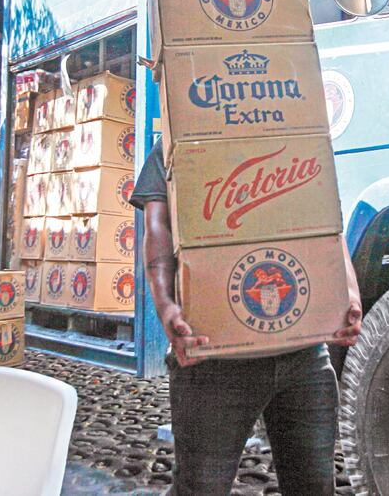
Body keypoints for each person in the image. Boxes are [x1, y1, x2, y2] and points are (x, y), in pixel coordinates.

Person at [129, 137, 362, 496]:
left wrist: (347, 294)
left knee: (315, 486)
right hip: (213, 359)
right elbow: (156, 227)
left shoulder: (294, 126)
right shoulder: (181, 134)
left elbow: (326, 227)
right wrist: (166, 306)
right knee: (200, 488)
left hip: (304, 358)